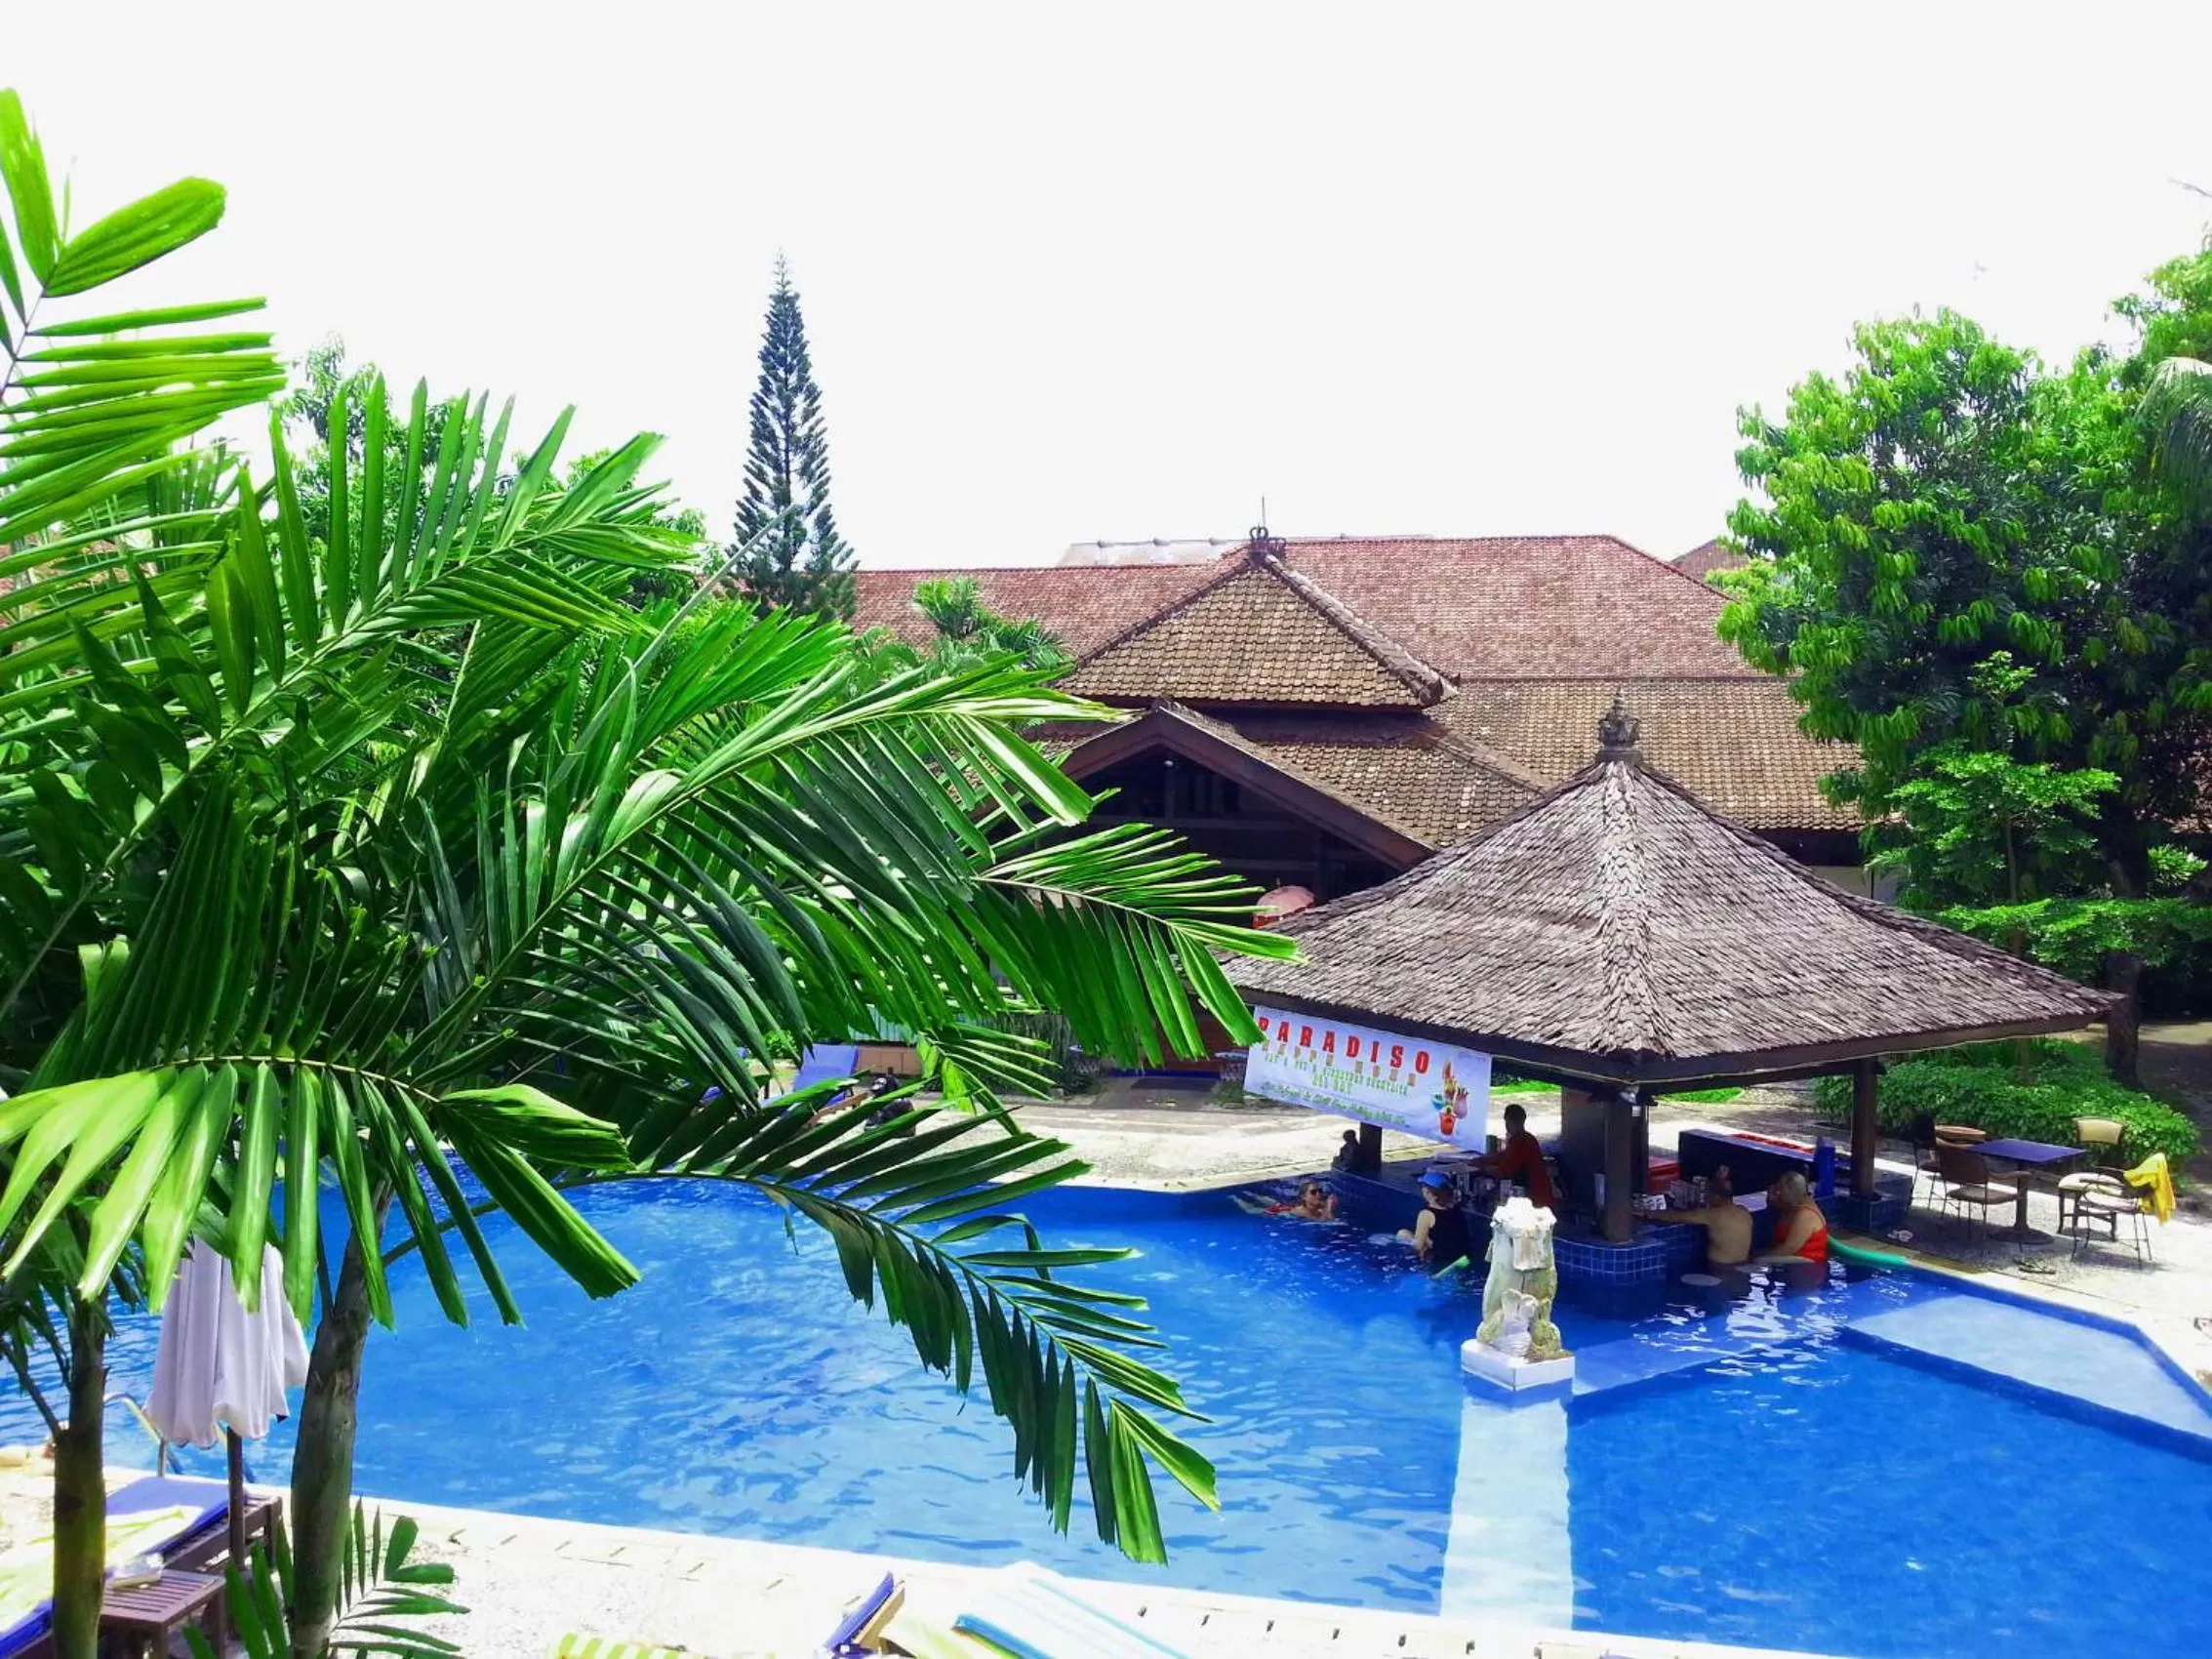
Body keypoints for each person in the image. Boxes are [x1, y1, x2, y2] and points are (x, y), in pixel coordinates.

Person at [1642, 1172, 1752, 1266]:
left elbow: (1677, 1217)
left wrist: (1649, 1213)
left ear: (1716, 1197)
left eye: (1708, 1195)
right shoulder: (1743, 1211)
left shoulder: (1713, 1215)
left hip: (1720, 1268)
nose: (1707, 1199)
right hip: (1742, 1265)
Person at [1472, 1103, 1557, 1211]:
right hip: (1538, 1197)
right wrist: (1482, 1160)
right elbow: (1503, 1155)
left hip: (1534, 1201)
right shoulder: (1527, 1139)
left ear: (1508, 1121)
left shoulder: (1521, 1142)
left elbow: (1503, 1171)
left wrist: (1482, 1167)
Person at [1400, 1170, 1472, 1266]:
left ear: (1428, 1192)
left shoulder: (1426, 1214)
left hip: (1439, 1260)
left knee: (1403, 1233)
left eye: (1423, 1186)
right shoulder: (1456, 1208)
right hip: (1462, 1257)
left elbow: (1417, 1247)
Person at [1760, 1170, 1830, 1264]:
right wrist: (1771, 1194)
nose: (1778, 1193)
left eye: (1780, 1189)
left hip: (1809, 1261)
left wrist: (1761, 1258)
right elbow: (1771, 1207)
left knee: (1759, 1261)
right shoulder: (1793, 1205)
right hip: (1794, 1256)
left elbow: (1789, 1248)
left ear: (1791, 1191)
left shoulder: (1805, 1215)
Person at [1269, 1181, 1339, 1222]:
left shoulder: (1320, 1207)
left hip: (1286, 1207)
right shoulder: (1302, 1211)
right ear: (1304, 1197)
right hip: (1274, 1211)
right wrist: (1329, 1209)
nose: (1318, 1194)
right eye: (1313, 1192)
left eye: (1320, 1191)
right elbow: (1322, 1222)